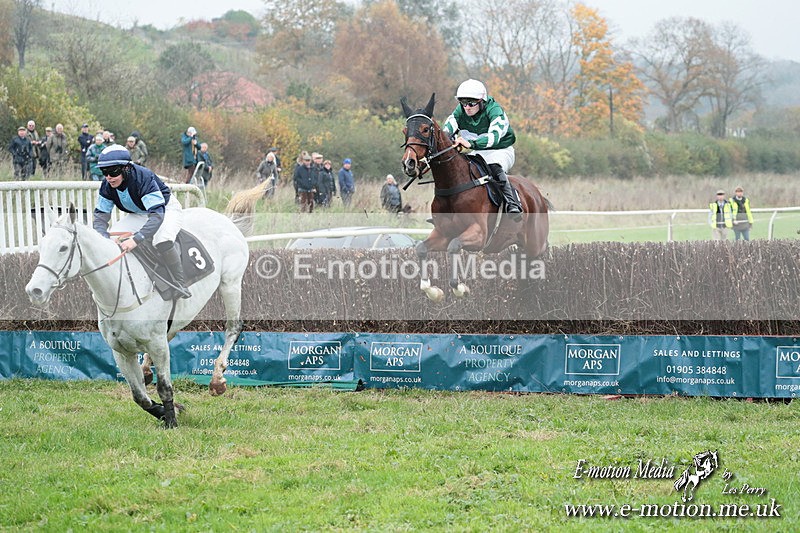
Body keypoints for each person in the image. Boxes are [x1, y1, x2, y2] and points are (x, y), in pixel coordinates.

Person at [93, 144, 191, 299]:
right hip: (139, 213)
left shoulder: (143, 178)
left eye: (113, 171)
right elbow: (100, 217)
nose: (108, 177)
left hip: (164, 209)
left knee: (162, 240)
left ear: (126, 168)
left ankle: (180, 283)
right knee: (111, 240)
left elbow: (157, 215)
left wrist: (136, 239)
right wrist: (102, 237)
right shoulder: (107, 185)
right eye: (104, 172)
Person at [442, 78, 522, 220]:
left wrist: (470, 144)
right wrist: (448, 140)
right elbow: (447, 129)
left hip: (500, 150)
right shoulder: (460, 111)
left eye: (471, 103)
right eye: (463, 103)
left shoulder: (495, 111)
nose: (467, 107)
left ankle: (512, 203)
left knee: (494, 166)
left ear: (482, 101)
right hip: (478, 151)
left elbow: (494, 138)